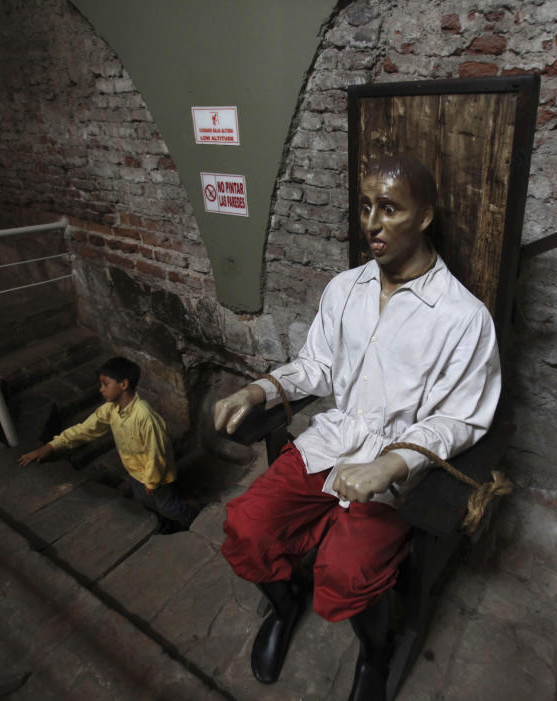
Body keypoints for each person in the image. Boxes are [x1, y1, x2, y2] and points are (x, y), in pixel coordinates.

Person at [214, 154, 501, 700]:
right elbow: (319, 366)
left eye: (389, 209)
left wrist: (392, 463)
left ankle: (373, 653)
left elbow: (460, 417)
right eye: (365, 206)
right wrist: (260, 389)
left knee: (346, 571)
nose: (371, 222)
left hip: (396, 468)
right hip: (334, 439)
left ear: (423, 217)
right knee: (247, 525)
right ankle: (284, 604)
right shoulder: (345, 289)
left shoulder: (462, 318)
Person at [19, 356, 199, 530]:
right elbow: (84, 429)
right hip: (136, 473)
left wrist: (152, 482)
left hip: (157, 476)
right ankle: (168, 526)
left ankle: (195, 519)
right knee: (147, 503)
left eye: (105, 384)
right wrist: (50, 447)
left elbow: (157, 453)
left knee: (169, 507)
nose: (101, 389)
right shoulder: (110, 410)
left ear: (123, 384)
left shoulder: (144, 416)